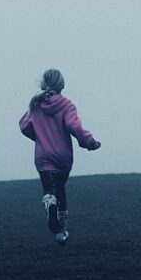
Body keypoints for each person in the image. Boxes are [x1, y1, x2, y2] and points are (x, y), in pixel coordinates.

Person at [19, 69, 101, 245]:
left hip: (43, 156)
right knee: (61, 190)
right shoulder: (67, 105)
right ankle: (62, 232)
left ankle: (49, 204)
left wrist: (40, 136)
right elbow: (74, 126)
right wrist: (90, 142)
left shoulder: (35, 104)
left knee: (50, 189)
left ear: (43, 85)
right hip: (63, 157)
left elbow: (24, 126)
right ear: (62, 86)